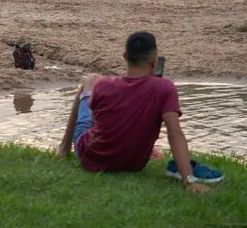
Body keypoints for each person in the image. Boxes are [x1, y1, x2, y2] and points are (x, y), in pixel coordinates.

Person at [57, 31, 221, 192]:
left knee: (91, 80)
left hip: (91, 158)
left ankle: (64, 149)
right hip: (133, 164)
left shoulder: (103, 86)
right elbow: (175, 133)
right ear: (155, 60)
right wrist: (189, 180)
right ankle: (65, 148)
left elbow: (104, 121)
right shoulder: (164, 88)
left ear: (125, 56)